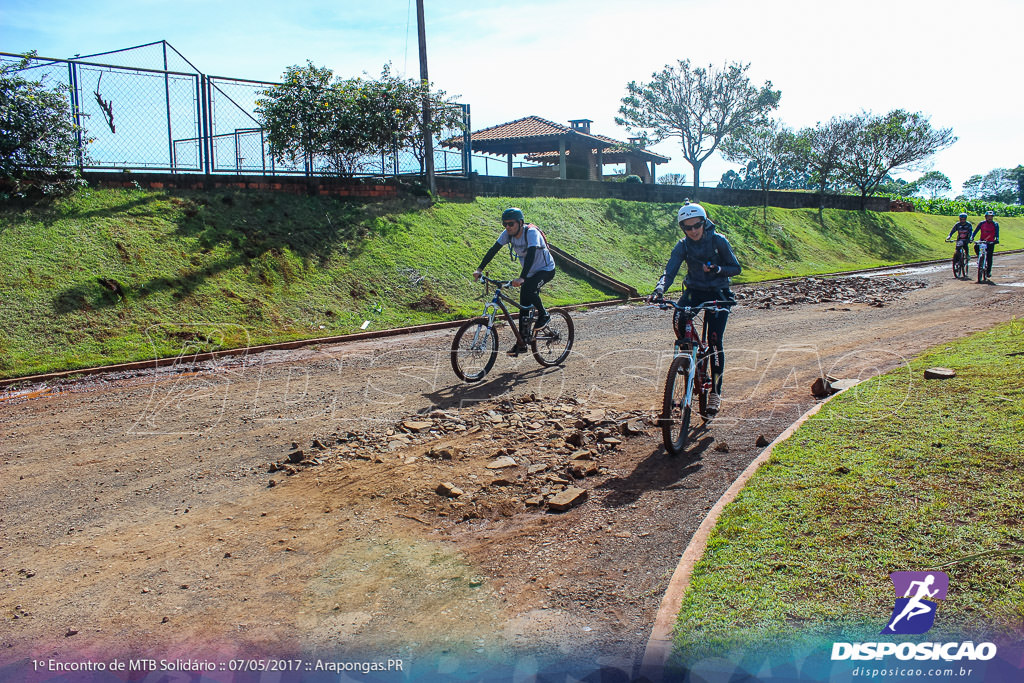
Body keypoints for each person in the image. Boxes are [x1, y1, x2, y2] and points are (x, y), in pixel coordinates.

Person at [649, 204, 741, 415]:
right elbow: (669, 271)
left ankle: (716, 393)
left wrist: (718, 269)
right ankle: (689, 355)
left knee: (716, 340)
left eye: (696, 226)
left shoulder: (719, 241)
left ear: (704, 222)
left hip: (718, 292)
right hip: (694, 291)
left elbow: (736, 268)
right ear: (683, 228)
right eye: (687, 228)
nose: (693, 231)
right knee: (678, 319)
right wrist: (659, 290)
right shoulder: (683, 246)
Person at [474, 208, 556, 357]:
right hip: (530, 273)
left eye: (511, 224)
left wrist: (522, 278)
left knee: (528, 290)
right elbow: (493, 250)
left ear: (520, 223)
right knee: (523, 304)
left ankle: (544, 315)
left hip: (546, 270)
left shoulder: (531, 233)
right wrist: (480, 269)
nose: (507, 227)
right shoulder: (507, 234)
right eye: (504, 224)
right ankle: (522, 342)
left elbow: (531, 255)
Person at [971, 210, 1000, 279]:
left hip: (990, 242)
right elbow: (975, 232)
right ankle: (980, 258)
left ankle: (988, 271)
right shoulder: (981, 223)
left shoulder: (995, 224)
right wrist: (972, 237)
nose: (990, 218)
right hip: (982, 241)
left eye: (991, 217)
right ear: (985, 217)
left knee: (989, 257)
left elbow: (997, 233)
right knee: (976, 247)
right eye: (988, 217)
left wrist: (997, 239)